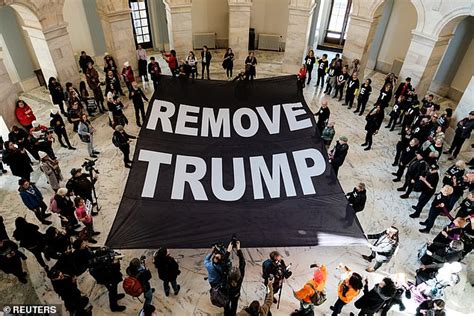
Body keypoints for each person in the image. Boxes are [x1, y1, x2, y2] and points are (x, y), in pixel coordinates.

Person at [88, 247, 126, 312]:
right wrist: (114, 263)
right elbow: (105, 273)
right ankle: (114, 307)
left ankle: (116, 296)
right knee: (112, 291)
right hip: (107, 278)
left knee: (114, 287)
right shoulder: (101, 265)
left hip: (111, 275)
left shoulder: (103, 262)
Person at [224, 240, 245, 316]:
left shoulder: (226, 276)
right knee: (234, 305)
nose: (235, 267)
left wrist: (228, 250)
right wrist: (238, 249)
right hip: (236, 294)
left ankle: (226, 314)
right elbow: (242, 262)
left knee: (226, 305)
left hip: (227, 294)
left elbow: (224, 262)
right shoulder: (240, 278)